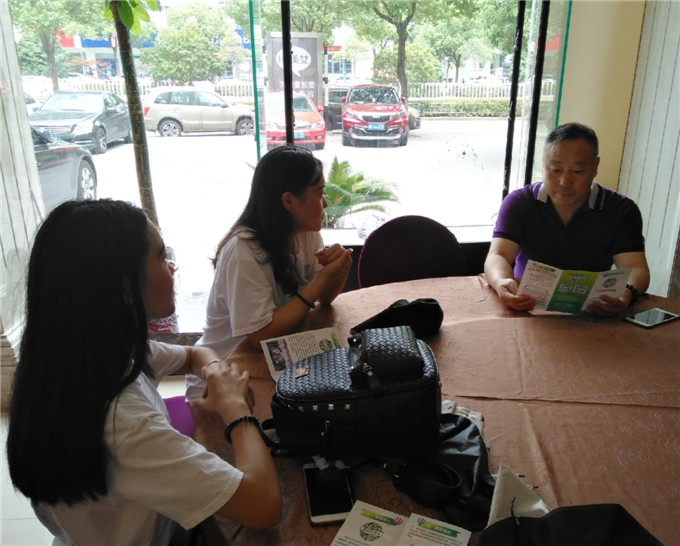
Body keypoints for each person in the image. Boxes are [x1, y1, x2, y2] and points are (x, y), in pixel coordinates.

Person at [5, 200, 281, 545]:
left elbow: (194, 354)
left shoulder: (86, 357)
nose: (172, 266)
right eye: (161, 257)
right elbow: (264, 506)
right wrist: (237, 412)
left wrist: (215, 374)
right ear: (124, 288)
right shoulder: (122, 422)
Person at [189, 145, 353, 397]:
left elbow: (325, 299)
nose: (325, 203)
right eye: (320, 193)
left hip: (273, 360)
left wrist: (338, 270)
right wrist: (322, 280)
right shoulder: (244, 252)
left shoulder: (306, 233)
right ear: (289, 201)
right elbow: (260, 336)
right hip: (221, 379)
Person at [484, 122, 650, 316]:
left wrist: (626, 293)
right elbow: (499, 255)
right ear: (543, 164)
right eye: (555, 170)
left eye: (578, 171)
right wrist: (502, 282)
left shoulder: (621, 210)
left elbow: (635, 267)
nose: (564, 182)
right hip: (527, 307)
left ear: (595, 166)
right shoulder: (519, 202)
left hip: (592, 312)